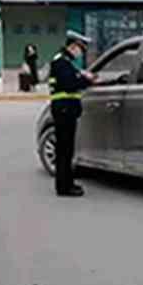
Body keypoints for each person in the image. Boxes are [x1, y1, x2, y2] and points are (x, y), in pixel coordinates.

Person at [49, 31, 97, 198]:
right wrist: (87, 80)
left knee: (67, 149)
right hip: (64, 110)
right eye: (80, 49)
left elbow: (73, 78)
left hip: (66, 110)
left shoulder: (66, 62)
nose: (80, 53)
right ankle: (64, 187)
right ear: (72, 46)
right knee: (64, 150)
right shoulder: (61, 62)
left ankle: (67, 183)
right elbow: (70, 84)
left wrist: (83, 76)